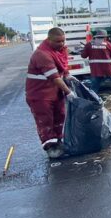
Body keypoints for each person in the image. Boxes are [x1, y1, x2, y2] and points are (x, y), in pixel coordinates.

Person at [26, 27, 76, 159]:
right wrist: (68, 92)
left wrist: (67, 75)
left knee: (60, 117)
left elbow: (62, 67)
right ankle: (51, 148)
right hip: (40, 95)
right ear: (49, 40)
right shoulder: (42, 55)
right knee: (45, 121)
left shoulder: (58, 51)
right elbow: (54, 78)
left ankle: (58, 142)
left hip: (54, 93)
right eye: (58, 41)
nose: (62, 44)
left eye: (63, 41)